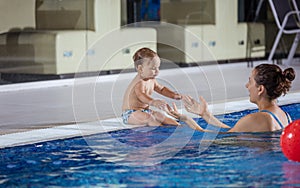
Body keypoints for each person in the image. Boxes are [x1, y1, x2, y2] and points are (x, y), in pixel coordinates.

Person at [166, 64, 296, 132]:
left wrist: (188, 121)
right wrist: (206, 115)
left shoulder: (257, 118)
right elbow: (234, 131)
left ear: (260, 89)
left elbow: (221, 141)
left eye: (250, 82)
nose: (246, 86)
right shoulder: (285, 116)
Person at [122, 47, 187, 127]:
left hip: (145, 111)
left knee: (160, 116)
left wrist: (173, 95)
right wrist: (153, 102)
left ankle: (178, 126)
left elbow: (162, 89)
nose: (157, 71)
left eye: (158, 67)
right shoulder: (139, 82)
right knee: (150, 118)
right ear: (140, 69)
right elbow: (141, 95)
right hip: (130, 113)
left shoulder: (151, 80)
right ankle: (160, 131)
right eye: (153, 68)